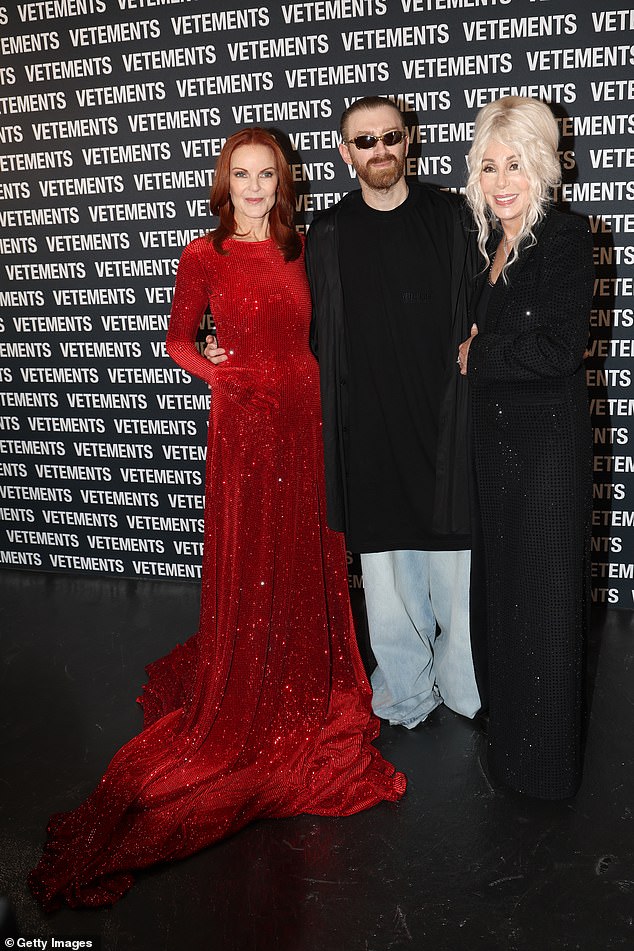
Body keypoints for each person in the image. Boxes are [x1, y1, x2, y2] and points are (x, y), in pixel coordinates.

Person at [29, 128, 405, 910]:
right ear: (225, 181)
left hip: (306, 416)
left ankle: (301, 663)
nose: (257, 186)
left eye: (268, 174)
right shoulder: (204, 254)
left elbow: (326, 331)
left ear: (283, 182)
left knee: (305, 550)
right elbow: (175, 340)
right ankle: (245, 671)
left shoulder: (305, 247)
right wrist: (220, 372)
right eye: (243, 174)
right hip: (242, 424)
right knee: (251, 555)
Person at [304, 96, 482, 730]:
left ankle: (464, 687)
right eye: (364, 141)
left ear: (407, 140)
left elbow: (489, 297)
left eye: (390, 137)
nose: (379, 151)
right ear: (346, 152)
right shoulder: (326, 235)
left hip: (445, 424)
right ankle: (406, 689)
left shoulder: (454, 217)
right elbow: (302, 329)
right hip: (369, 429)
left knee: (457, 572)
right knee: (387, 581)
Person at [457, 96, 594, 799]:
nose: (502, 180)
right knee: (505, 598)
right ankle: (510, 742)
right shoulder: (491, 244)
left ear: (543, 165)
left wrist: (481, 354)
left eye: (516, 163)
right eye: (489, 165)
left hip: (546, 454)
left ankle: (543, 774)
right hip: (498, 448)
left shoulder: (566, 237)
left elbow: (561, 345)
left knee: (541, 605)